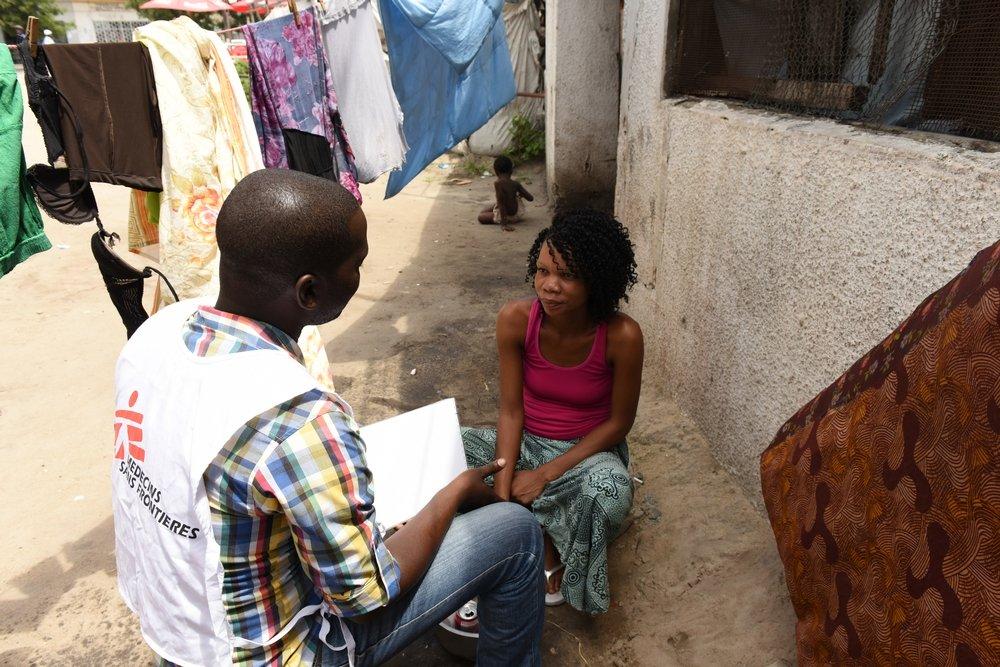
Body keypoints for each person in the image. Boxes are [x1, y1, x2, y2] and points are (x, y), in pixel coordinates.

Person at [111, 169, 544, 667]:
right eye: (355, 264)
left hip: (183, 638)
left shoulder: (155, 336)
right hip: (271, 655)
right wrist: (454, 495)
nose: (361, 272)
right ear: (309, 293)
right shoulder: (299, 415)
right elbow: (362, 598)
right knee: (514, 534)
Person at [463, 208, 644, 614]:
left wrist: (544, 475)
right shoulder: (514, 319)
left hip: (586, 455)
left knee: (608, 493)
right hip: (524, 443)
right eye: (543, 271)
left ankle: (548, 537)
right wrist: (505, 490)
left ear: (597, 280)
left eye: (567, 275)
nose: (550, 286)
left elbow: (619, 423)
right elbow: (511, 411)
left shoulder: (623, 336)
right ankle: (532, 524)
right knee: (453, 447)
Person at [478, 155, 534, 230]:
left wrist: (504, 224)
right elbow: (530, 198)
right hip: (517, 214)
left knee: (481, 216)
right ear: (511, 171)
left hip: (506, 217)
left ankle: (503, 221)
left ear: (496, 171)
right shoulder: (516, 183)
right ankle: (501, 215)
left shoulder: (498, 183)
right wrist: (521, 194)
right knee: (490, 207)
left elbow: (501, 204)